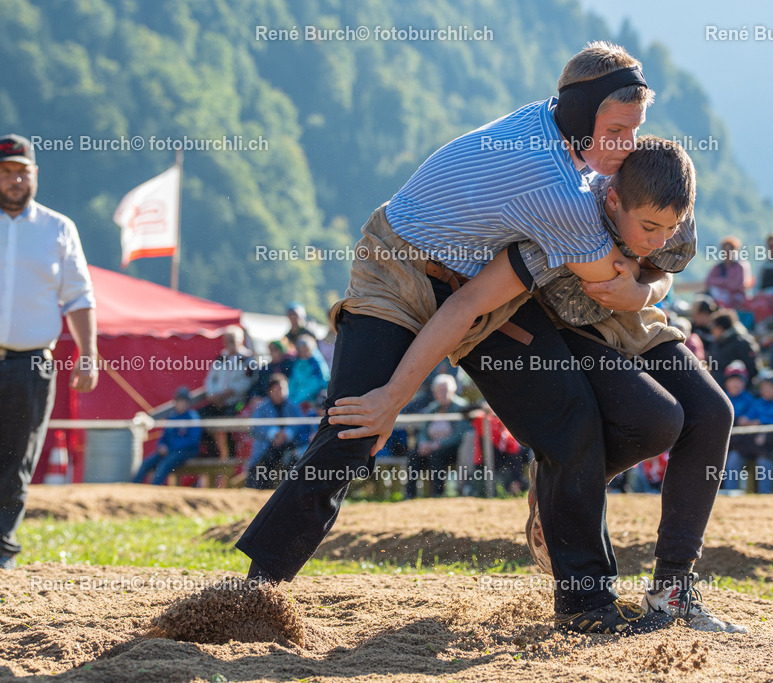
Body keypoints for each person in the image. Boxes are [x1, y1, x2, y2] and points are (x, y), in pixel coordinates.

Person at [235, 43, 691, 635]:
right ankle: (254, 593)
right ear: (579, 117)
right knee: (356, 425)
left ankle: (587, 606)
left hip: (486, 291)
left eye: (636, 131)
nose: (628, 145)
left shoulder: (557, 132)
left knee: (570, 418)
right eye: (617, 130)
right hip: (399, 271)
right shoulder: (559, 190)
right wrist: (394, 398)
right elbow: (618, 286)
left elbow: (475, 303)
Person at [328, 135, 744, 633]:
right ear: (612, 198)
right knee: (657, 420)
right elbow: (467, 305)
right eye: (649, 227)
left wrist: (642, 289)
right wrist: (394, 395)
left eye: (670, 227)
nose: (659, 237)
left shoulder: (671, 215)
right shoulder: (566, 212)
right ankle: (560, 493)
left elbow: (663, 270)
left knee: (714, 412)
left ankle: (672, 589)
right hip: (566, 329)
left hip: (632, 317)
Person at [0, 134, 97, 570]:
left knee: (17, 458)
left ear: (35, 174)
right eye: (6, 172)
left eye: (22, 171)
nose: (15, 179)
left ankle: (2, 551)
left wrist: (88, 352)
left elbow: (78, 297)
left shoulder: (59, 228)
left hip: (32, 362)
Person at [723, 371, 773, 494]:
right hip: (752, 444)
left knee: (763, 461)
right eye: (762, 387)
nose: (764, 390)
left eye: (767, 386)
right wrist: (751, 422)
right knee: (734, 457)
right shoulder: (758, 402)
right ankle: (730, 494)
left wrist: (761, 424)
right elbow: (746, 419)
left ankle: (765, 495)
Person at [408, 374, 469, 498]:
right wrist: (424, 443)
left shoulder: (461, 408)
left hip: (453, 449)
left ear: (453, 390)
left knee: (436, 456)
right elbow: (423, 431)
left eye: (445, 390)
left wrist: (437, 445)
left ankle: (438, 494)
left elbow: (459, 435)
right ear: (434, 393)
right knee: (414, 455)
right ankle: (410, 494)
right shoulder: (432, 408)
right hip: (431, 446)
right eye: (439, 391)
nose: (442, 393)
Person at [199, 326, 253, 460]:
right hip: (217, 402)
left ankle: (231, 460)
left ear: (241, 340)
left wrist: (227, 394)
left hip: (236, 402)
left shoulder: (248, 359)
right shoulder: (220, 358)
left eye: (233, 339)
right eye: (228, 339)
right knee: (198, 419)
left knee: (230, 427)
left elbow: (247, 383)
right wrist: (212, 395)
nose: (230, 343)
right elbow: (210, 380)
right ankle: (212, 454)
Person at [245, 374, 305, 489]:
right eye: (277, 389)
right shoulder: (261, 408)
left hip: (290, 446)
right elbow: (254, 428)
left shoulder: (293, 407)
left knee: (294, 458)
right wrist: (274, 434)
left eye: (283, 389)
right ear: (270, 391)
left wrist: (287, 434)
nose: (280, 392)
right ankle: (258, 489)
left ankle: (291, 489)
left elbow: (300, 425)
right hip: (266, 447)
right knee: (266, 460)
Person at [133, 387, 202, 485]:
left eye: (184, 401)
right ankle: (134, 488)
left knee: (164, 465)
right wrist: (161, 445)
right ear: (176, 402)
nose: (182, 404)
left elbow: (192, 441)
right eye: (180, 401)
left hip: (185, 452)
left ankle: (152, 491)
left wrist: (170, 448)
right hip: (169, 450)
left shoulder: (192, 417)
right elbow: (164, 436)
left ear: (188, 403)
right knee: (146, 464)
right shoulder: (172, 417)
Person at [708, 309, 760, 387]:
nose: (712, 331)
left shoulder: (742, 342)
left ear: (720, 328)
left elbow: (752, 369)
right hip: (719, 383)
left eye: (713, 328)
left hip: (738, 388)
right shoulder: (718, 342)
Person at [704, 235, 751, 309]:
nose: (727, 254)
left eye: (729, 251)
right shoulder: (719, 266)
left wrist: (721, 284)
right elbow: (708, 281)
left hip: (736, 298)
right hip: (719, 296)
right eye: (725, 251)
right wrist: (725, 281)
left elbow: (738, 285)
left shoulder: (740, 266)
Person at [287, 334, 329, 408]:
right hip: (297, 401)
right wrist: (291, 399)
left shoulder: (317, 363)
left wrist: (304, 398)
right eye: (301, 349)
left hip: (313, 401)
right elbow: (293, 382)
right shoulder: (297, 363)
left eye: (305, 349)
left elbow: (321, 382)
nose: (303, 352)